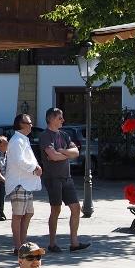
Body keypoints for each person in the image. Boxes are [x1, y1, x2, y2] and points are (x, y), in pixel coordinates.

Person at [39, 108, 89, 252]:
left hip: (67, 177)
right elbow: (52, 156)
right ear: (51, 119)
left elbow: (76, 152)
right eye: (60, 118)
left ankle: (74, 243)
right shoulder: (45, 136)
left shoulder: (65, 135)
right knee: (56, 209)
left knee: (76, 208)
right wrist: (66, 154)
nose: (63, 120)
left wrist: (61, 152)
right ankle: (52, 243)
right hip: (53, 178)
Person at [4, 114, 43, 253]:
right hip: (19, 183)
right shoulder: (16, 141)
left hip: (26, 183)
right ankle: (18, 246)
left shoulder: (23, 140)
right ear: (21, 124)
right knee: (18, 215)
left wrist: (35, 168)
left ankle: (23, 244)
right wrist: (35, 168)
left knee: (28, 213)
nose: (31, 125)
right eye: (29, 122)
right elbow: (19, 161)